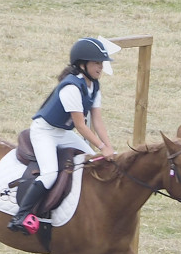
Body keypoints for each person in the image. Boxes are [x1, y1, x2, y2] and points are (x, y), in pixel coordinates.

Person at [8, 37, 117, 234]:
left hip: (63, 132)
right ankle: (21, 215)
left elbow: (98, 121)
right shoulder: (71, 88)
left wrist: (110, 148)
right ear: (82, 64)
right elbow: (81, 126)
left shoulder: (94, 86)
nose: (101, 68)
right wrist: (102, 147)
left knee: (93, 161)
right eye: (97, 63)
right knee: (49, 174)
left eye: (102, 63)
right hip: (45, 132)